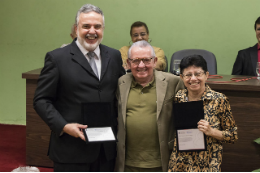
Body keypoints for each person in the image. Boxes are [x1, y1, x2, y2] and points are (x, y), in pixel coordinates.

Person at [33, 4, 125, 172]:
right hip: (71, 150)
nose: (92, 31)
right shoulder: (57, 58)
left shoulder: (114, 56)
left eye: (97, 26)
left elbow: (121, 92)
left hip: (106, 150)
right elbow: (41, 100)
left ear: (103, 28)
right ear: (76, 29)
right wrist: (63, 126)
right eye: (86, 26)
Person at [115, 40, 184, 172]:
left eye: (146, 60)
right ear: (128, 63)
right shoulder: (121, 83)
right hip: (127, 163)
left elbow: (184, 120)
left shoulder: (173, 82)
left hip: (161, 162)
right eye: (135, 61)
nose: (141, 65)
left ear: (154, 61)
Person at [168, 55, 238, 172]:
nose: (193, 79)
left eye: (198, 74)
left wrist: (212, 132)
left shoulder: (219, 99)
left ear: (206, 75)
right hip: (180, 164)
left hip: (207, 165)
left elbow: (233, 136)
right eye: (188, 75)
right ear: (181, 77)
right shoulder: (178, 98)